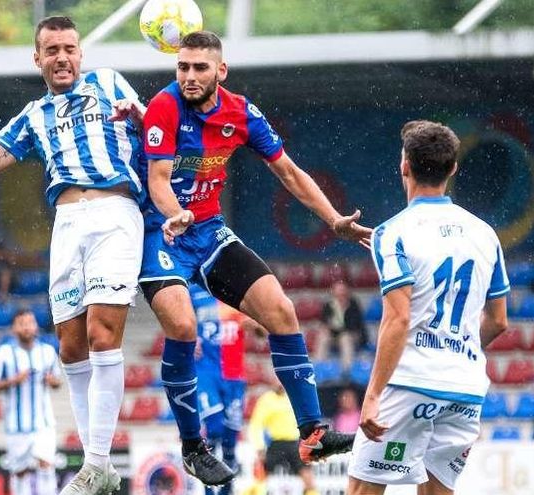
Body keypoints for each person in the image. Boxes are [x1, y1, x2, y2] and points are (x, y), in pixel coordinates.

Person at [139, 30, 369, 486]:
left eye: (199, 67)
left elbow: (287, 170)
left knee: (281, 309)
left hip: (207, 231)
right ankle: (193, 447)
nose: (188, 76)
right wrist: (174, 215)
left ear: (220, 71)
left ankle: (312, 432)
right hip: (159, 235)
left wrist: (333, 219)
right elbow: (158, 179)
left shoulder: (240, 112)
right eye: (182, 67)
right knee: (182, 327)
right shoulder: (164, 107)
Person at [0, 15, 145, 494]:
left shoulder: (109, 84)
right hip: (67, 225)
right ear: (38, 58)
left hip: (114, 212)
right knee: (70, 346)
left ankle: (97, 463)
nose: (62, 57)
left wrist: (141, 120)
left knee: (102, 334)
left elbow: (157, 135)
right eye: (52, 50)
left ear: (81, 54)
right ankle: (100, 468)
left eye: (70, 48)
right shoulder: (33, 115)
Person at [347, 120, 510, 495]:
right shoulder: (485, 234)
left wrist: (371, 395)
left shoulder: (393, 232)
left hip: (410, 381)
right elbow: (499, 321)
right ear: (453, 168)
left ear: (404, 165)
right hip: (465, 387)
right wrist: (456, 349)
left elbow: (399, 318)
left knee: (362, 490)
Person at [0, 309, 63, 495]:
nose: (27, 327)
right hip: (16, 425)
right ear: (14, 328)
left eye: (30, 322)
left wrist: (52, 381)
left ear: (36, 326)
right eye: (22, 323)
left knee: (46, 465)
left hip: (43, 423)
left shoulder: (47, 351)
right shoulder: (4, 353)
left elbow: (57, 381)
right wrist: (13, 380)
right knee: (19, 472)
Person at [190, 283, 251, 495]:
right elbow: (175, 315)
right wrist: (187, 337)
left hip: (234, 371)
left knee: (230, 441)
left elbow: (260, 327)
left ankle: (227, 491)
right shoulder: (193, 291)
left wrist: (257, 324)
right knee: (214, 427)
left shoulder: (239, 290)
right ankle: (209, 490)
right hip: (206, 369)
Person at [247, 374, 319, 495]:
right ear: (272, 381)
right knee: (260, 478)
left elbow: (307, 421)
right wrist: (259, 447)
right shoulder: (266, 400)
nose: (279, 383)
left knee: (308, 478)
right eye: (277, 379)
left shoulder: (294, 398)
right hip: (276, 444)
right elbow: (256, 425)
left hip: (294, 444)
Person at [315, 280, 367, 370]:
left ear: (347, 291)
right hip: (334, 334)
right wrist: (326, 328)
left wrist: (337, 326)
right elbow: (324, 322)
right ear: (333, 291)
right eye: (338, 290)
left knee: (345, 338)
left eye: (342, 290)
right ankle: (318, 367)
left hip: (352, 334)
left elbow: (354, 326)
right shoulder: (328, 305)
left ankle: (346, 370)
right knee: (323, 336)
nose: (341, 293)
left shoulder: (353, 304)